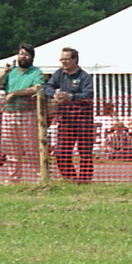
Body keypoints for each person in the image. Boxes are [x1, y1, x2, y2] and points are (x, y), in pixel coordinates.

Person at [0, 43, 45, 183]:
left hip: (28, 113)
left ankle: (40, 177)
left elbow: (37, 88)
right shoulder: (11, 72)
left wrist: (16, 93)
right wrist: (4, 72)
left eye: (27, 54)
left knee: (31, 147)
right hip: (9, 113)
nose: (23, 57)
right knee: (11, 148)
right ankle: (13, 178)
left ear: (32, 57)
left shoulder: (36, 72)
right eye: (21, 54)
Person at [45, 47, 95, 183]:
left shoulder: (84, 76)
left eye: (67, 59)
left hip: (83, 120)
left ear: (75, 59)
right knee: (61, 152)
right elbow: (47, 86)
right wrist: (54, 94)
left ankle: (85, 180)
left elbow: (88, 94)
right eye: (62, 59)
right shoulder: (59, 74)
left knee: (85, 153)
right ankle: (70, 178)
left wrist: (71, 97)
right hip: (65, 119)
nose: (64, 62)